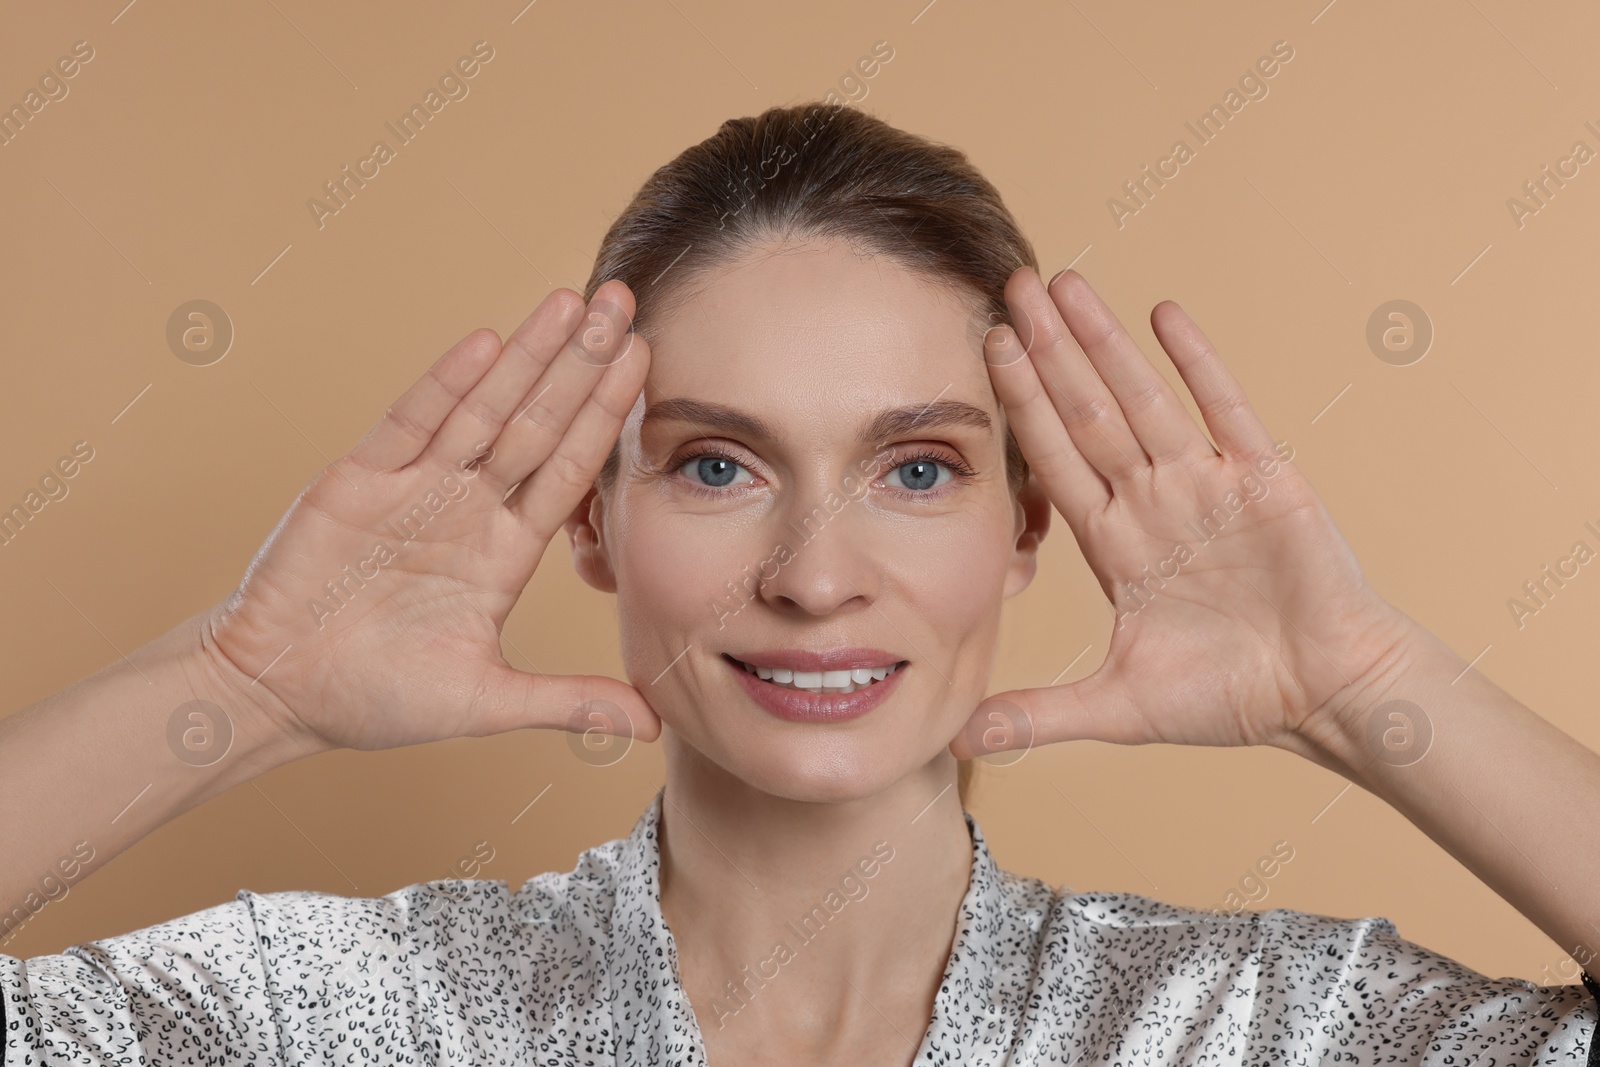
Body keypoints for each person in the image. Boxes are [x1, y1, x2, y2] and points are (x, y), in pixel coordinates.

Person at [2, 100, 1597, 1065]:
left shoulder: (1258, 1031)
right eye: (715, 464)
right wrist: (237, 694)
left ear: (1031, 524)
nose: (817, 577)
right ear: (590, 517)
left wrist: (1361, 689)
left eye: (917, 469)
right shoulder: (346, 1018)